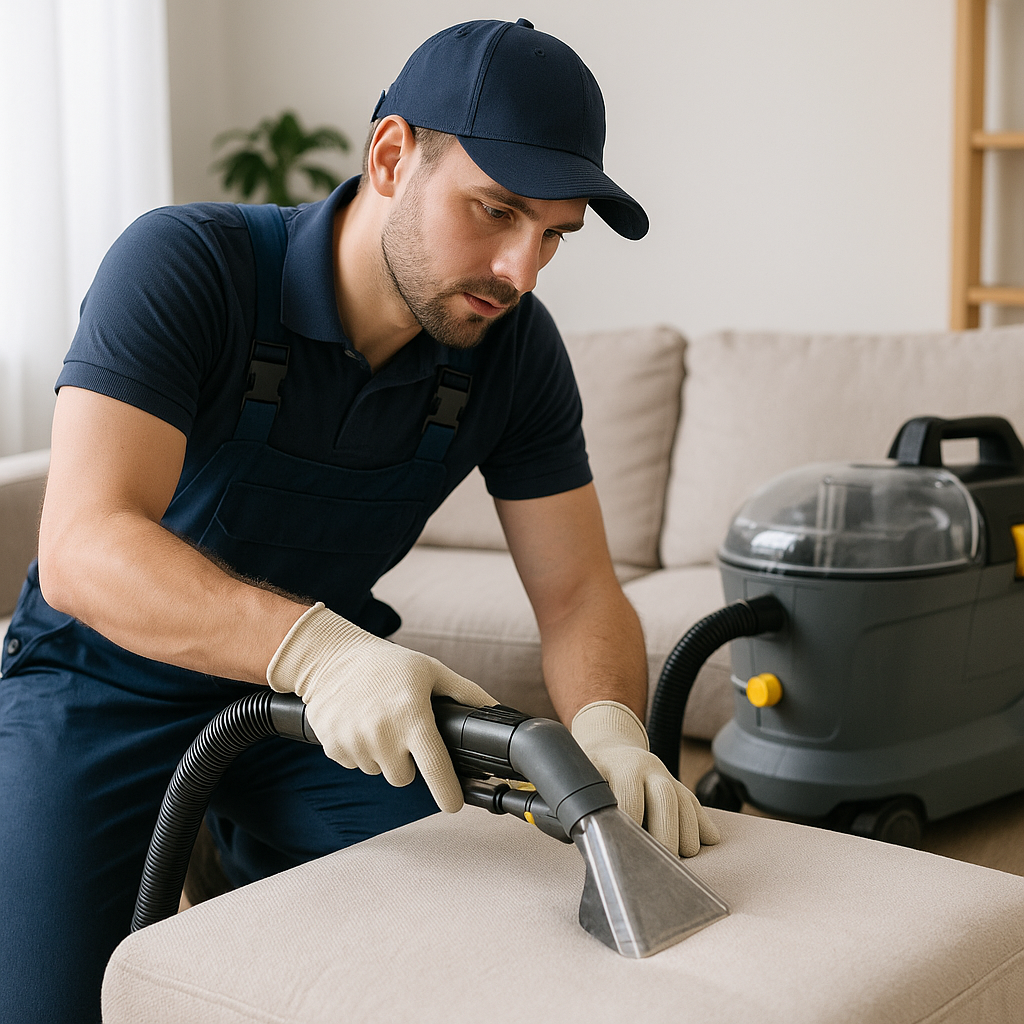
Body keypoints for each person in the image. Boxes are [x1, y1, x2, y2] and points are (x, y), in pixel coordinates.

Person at [0, 18, 718, 1024]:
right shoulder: (187, 266)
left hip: (319, 720)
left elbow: (579, 593)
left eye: (554, 235)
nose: (521, 271)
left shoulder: (513, 352)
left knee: (483, 931)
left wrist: (611, 729)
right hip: (99, 688)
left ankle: (241, 856)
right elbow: (83, 546)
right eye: (496, 211)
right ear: (389, 156)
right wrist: (316, 650)